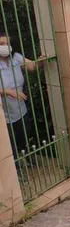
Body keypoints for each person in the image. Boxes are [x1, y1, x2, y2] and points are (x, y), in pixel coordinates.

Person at [0, 32, 45, 160]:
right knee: (10, 147)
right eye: (1, 44)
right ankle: (17, 172)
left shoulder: (16, 58)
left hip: (20, 109)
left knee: (24, 138)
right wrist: (8, 92)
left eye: (8, 43)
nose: (5, 46)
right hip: (5, 114)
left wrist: (40, 61)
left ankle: (28, 161)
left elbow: (32, 66)